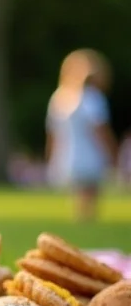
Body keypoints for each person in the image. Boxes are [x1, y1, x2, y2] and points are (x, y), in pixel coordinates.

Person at [45, 49, 116, 221]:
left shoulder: (60, 97)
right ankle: (87, 224)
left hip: (67, 154)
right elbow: (100, 130)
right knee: (90, 197)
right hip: (90, 153)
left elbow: (53, 133)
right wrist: (112, 152)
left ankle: (81, 222)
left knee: (78, 197)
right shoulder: (93, 98)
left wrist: (50, 158)